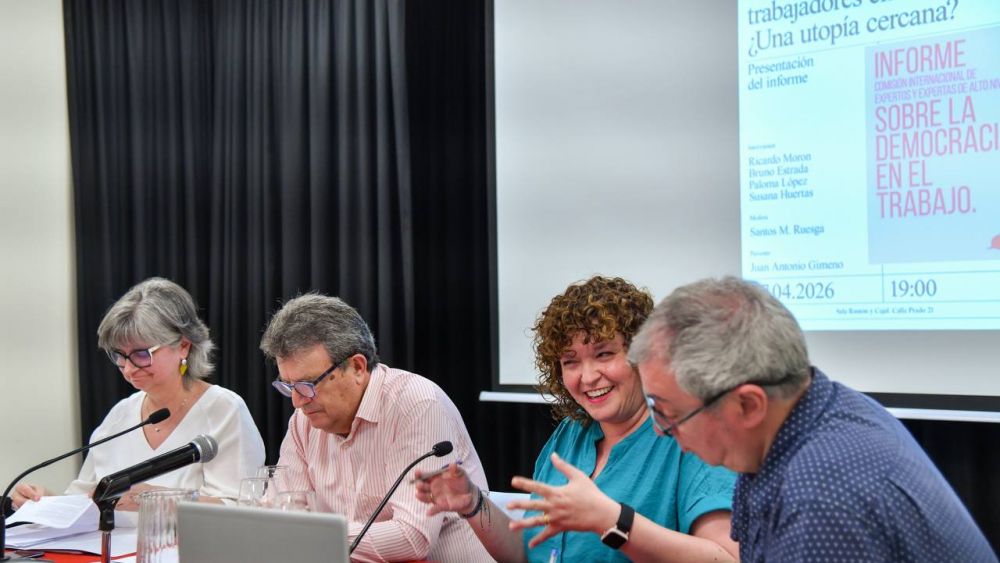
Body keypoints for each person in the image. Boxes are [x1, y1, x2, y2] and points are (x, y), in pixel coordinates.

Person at [629, 276, 997, 562]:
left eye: (671, 413)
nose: (662, 431)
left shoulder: (820, 501)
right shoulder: (807, 414)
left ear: (747, 406)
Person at [415, 276, 739, 562]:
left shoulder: (689, 437)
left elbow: (725, 558)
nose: (587, 376)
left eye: (604, 354)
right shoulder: (571, 435)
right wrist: (472, 503)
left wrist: (613, 520)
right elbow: (528, 552)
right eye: (570, 361)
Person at [259, 293, 492, 562]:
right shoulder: (304, 422)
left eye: (307, 385)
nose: (298, 401)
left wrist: (315, 538)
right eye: (288, 387)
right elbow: (281, 514)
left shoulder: (417, 405)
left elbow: (413, 536)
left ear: (357, 367)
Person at [11, 277, 265, 510]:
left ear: (183, 346)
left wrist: (157, 500)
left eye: (142, 354)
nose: (129, 368)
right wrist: (44, 501)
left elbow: (242, 508)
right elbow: (87, 503)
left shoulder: (223, 409)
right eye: (119, 355)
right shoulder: (121, 414)